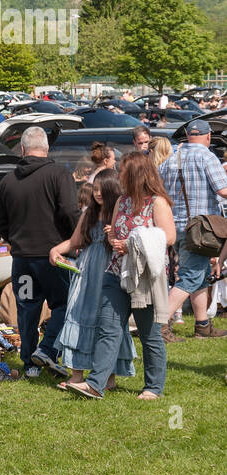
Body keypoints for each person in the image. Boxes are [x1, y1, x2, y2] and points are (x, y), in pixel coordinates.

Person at [64, 154, 175, 399]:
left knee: (149, 334)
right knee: (109, 328)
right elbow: (114, 230)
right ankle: (96, 384)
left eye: (123, 171)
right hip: (116, 272)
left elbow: (168, 237)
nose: (119, 175)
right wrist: (114, 238)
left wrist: (133, 243)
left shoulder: (156, 203)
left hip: (144, 277)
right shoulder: (121, 202)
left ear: (135, 174)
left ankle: (153, 387)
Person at [0, 126, 79, 378]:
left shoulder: (7, 181)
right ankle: (47, 349)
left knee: (28, 308)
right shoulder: (59, 175)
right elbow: (70, 212)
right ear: (47, 148)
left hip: (23, 260)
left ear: (21, 149)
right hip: (54, 258)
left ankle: (29, 362)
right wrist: (75, 239)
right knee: (64, 304)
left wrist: (13, 239)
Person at [49, 169, 135, 390]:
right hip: (87, 273)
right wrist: (56, 250)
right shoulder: (89, 213)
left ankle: (109, 378)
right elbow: (75, 241)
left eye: (101, 189)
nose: (97, 193)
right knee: (79, 314)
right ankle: (76, 375)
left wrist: (114, 234)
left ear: (112, 189)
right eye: (94, 188)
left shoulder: (121, 213)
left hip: (110, 270)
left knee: (109, 322)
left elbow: (131, 243)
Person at [156, 120, 227, 341]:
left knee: (200, 275)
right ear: (207, 137)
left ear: (187, 135)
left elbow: (158, 192)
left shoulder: (169, 159)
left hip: (172, 227)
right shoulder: (207, 156)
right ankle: (159, 324)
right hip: (199, 229)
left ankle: (202, 324)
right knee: (190, 277)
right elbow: (223, 190)